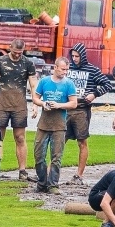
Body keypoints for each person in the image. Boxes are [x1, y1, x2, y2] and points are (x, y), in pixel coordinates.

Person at [65, 43, 112, 185]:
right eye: (73, 56)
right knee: (60, 140)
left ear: (83, 56)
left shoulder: (92, 70)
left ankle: (79, 175)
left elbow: (107, 84)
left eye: (77, 56)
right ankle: (51, 171)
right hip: (66, 108)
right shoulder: (68, 68)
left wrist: (94, 94)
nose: (74, 59)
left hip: (82, 110)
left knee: (82, 142)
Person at [31, 57, 77, 194]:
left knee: (56, 157)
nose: (65, 72)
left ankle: (53, 185)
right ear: (55, 67)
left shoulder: (69, 84)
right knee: (39, 156)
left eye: (67, 69)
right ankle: (42, 183)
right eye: (63, 69)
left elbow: (73, 103)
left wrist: (59, 105)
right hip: (43, 124)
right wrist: (43, 103)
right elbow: (35, 98)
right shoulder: (44, 81)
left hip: (59, 125)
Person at [0, 39, 39, 182]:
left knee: (20, 138)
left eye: (20, 53)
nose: (17, 55)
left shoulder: (28, 63)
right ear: (10, 48)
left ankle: (22, 171)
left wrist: (35, 104)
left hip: (19, 106)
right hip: (1, 105)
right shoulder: (0, 61)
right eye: (15, 52)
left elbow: (33, 85)